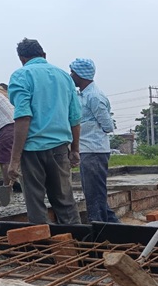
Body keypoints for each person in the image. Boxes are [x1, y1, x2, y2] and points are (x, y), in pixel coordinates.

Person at [7, 38, 82, 224]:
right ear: (44, 55)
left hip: (32, 151)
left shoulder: (21, 76)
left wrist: (14, 160)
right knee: (65, 201)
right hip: (59, 148)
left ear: (22, 59)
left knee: (35, 203)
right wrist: (75, 149)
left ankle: (41, 240)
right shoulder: (64, 77)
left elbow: (23, 117)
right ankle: (78, 239)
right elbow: (74, 117)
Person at [69, 58, 120, 223]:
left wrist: (87, 127)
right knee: (95, 195)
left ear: (81, 75)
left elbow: (108, 126)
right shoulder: (83, 95)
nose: (70, 75)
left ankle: (98, 229)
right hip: (87, 150)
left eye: (73, 72)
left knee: (95, 197)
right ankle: (115, 228)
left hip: (94, 150)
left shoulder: (94, 96)